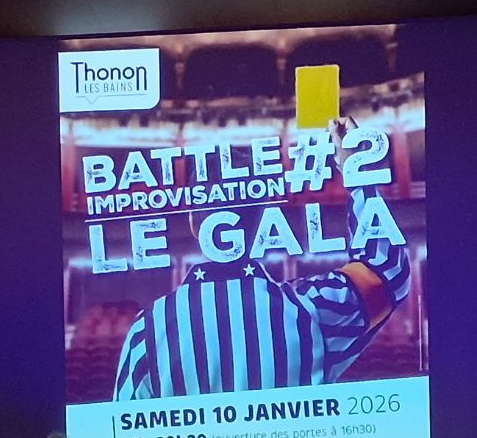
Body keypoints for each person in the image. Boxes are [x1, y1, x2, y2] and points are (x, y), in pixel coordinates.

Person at [113, 120, 411, 400]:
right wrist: (358, 174)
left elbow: (122, 429)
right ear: (262, 224)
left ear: (194, 223)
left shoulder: (147, 330)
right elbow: (387, 271)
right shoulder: (310, 308)